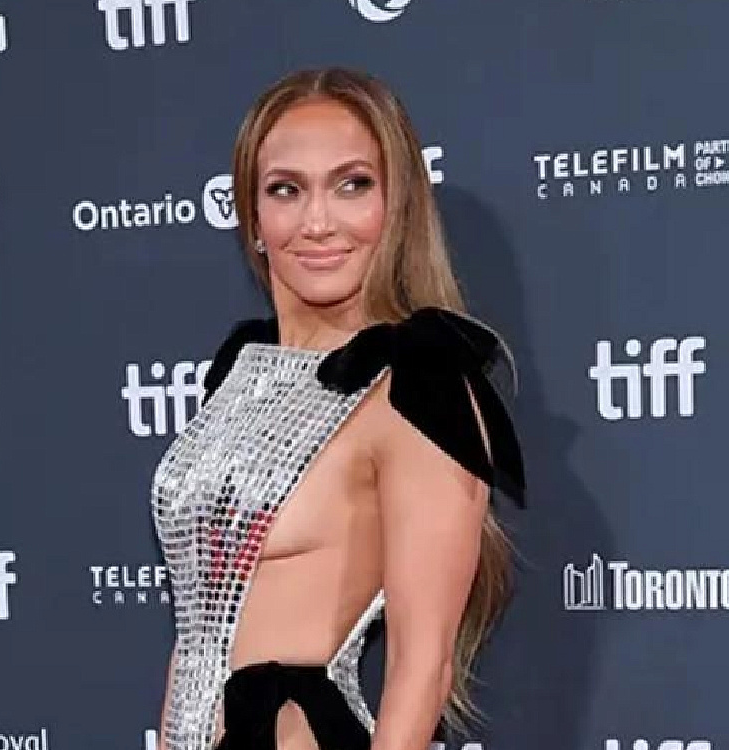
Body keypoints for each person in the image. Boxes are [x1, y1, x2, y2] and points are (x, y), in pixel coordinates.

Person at [151, 67, 527, 750]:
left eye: (352, 185)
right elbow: (197, 632)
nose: (317, 222)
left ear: (397, 206)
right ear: (253, 218)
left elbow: (423, 667)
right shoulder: (241, 372)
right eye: (285, 190)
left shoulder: (418, 386)